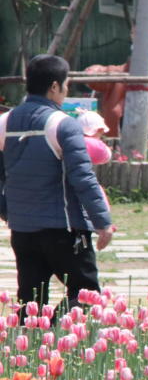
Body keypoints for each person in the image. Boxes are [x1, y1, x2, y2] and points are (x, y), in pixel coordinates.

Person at [0, 55, 113, 318]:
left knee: (31, 301)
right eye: (66, 85)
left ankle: (33, 352)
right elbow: (83, 177)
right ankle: (61, 340)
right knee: (86, 293)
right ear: (54, 86)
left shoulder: (5, 123)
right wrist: (102, 222)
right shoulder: (63, 124)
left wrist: (8, 213)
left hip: (23, 232)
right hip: (64, 230)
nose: (66, 91)